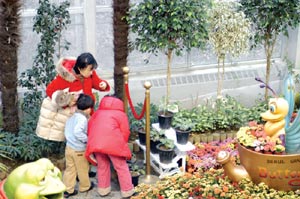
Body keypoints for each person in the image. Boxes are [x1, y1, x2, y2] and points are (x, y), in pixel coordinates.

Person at [85, 94, 135, 198]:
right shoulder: (121, 114)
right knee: (121, 167)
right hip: (114, 144)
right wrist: (122, 144)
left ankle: (103, 190)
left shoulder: (97, 113)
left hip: (97, 144)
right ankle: (127, 190)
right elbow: (125, 132)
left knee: (102, 166)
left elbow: (90, 127)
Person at [46, 52, 110, 114]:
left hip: (88, 110)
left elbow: (97, 82)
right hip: (71, 115)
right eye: (89, 70)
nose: (91, 72)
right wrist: (67, 101)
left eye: (92, 69)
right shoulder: (65, 77)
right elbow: (50, 90)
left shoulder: (89, 73)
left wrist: (103, 84)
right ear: (80, 68)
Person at [63, 94, 95, 198]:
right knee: (83, 169)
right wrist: (87, 140)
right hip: (79, 149)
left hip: (69, 147)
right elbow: (77, 132)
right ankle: (85, 186)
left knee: (70, 169)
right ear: (88, 109)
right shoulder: (82, 119)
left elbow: (68, 130)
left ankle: (68, 189)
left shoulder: (73, 116)